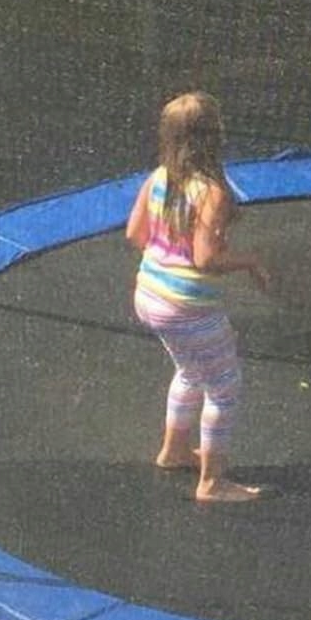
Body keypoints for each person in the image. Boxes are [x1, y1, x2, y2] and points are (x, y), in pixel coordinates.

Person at [127, 91, 271, 502]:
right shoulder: (210, 193)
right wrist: (249, 261)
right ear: (214, 137)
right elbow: (205, 259)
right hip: (185, 306)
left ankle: (173, 451)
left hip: (149, 293)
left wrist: (167, 258)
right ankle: (212, 482)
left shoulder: (159, 177)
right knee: (224, 388)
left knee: (190, 371)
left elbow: (135, 233)